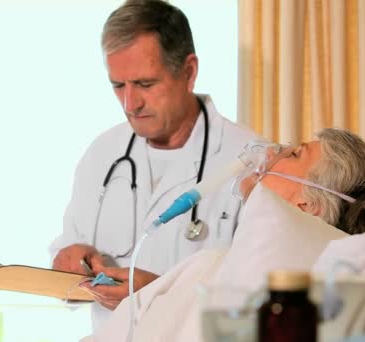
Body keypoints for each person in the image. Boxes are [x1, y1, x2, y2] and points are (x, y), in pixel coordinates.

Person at [48, 0, 260, 330]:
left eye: (145, 84)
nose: (130, 104)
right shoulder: (102, 154)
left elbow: (264, 294)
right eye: (118, 85)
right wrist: (68, 260)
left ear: (189, 72)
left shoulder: (250, 159)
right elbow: (66, 255)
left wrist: (163, 291)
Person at [83, 128, 365, 341]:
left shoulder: (216, 267)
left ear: (308, 203)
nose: (275, 150)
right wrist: (157, 289)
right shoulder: (229, 271)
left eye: (293, 155)